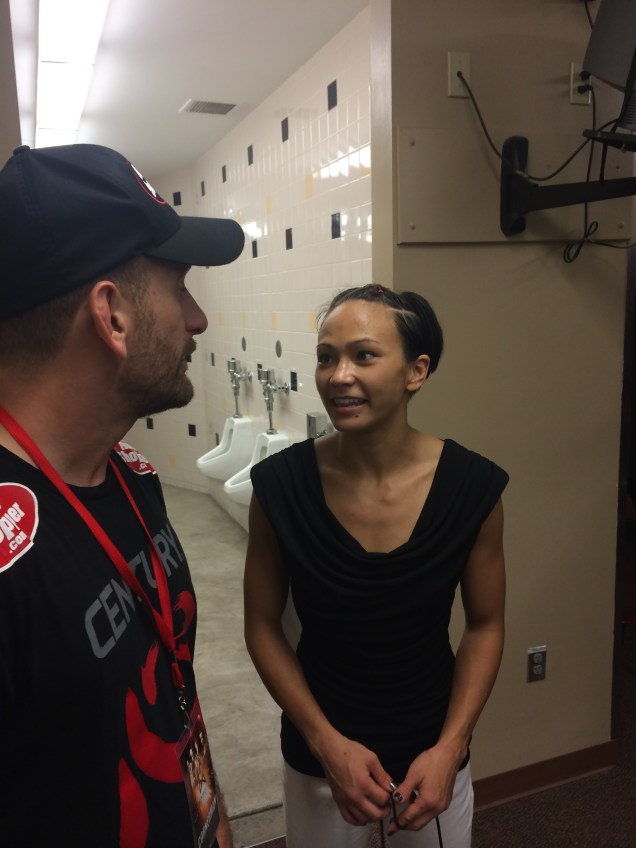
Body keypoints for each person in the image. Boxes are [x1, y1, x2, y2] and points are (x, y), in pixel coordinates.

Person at [0, 143, 245, 847]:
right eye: (179, 288)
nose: (196, 319)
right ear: (112, 316)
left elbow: (170, 690)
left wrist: (211, 814)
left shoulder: (132, 478)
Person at [244, 284, 508, 848]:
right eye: (326, 357)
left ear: (416, 371)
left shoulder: (473, 488)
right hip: (321, 758)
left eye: (363, 355)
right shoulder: (279, 487)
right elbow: (262, 627)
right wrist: (325, 744)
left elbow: (485, 625)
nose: (339, 376)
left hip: (430, 762)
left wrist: (451, 748)